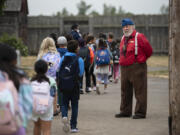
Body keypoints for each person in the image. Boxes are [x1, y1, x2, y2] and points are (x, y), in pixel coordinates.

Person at [115, 18, 153, 119]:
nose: (126, 28)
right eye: (124, 26)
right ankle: (125, 111)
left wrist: (140, 60)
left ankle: (140, 112)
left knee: (140, 91)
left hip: (137, 67)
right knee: (125, 90)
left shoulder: (139, 36)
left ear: (132, 26)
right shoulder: (123, 38)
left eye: (127, 26)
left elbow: (149, 50)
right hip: (124, 68)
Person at [0, 43, 33, 135]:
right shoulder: (20, 78)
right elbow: (28, 105)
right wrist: (22, 124)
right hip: (14, 126)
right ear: (14, 60)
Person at [57, 40, 84, 133]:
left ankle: (64, 115)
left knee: (64, 103)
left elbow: (58, 69)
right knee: (74, 105)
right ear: (76, 48)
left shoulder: (63, 57)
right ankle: (73, 126)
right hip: (74, 85)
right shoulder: (79, 59)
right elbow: (80, 74)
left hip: (64, 84)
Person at [31, 60, 57, 135]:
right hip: (46, 106)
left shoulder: (31, 80)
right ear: (46, 69)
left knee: (36, 126)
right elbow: (54, 95)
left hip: (34, 106)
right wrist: (55, 108)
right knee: (46, 129)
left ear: (35, 69)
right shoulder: (51, 80)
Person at [37, 37, 61, 116]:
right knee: (54, 93)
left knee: (43, 93)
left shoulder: (41, 55)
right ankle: (54, 109)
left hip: (42, 77)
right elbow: (58, 67)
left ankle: (43, 108)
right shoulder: (57, 55)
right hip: (53, 78)